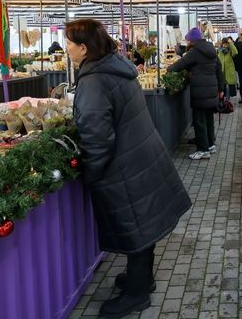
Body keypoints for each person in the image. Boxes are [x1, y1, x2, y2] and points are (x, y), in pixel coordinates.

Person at [66, 19, 191, 318]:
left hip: (123, 165)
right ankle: (141, 279)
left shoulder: (95, 80)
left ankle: (136, 294)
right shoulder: (115, 66)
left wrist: (92, 175)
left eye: (69, 43)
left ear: (83, 48)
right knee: (143, 224)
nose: (66, 48)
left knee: (135, 226)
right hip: (140, 157)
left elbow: (96, 137)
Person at [168, 27, 225, 160]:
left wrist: (168, 69)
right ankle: (210, 145)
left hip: (200, 91)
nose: (187, 43)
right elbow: (219, 70)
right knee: (209, 119)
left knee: (199, 121)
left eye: (188, 40)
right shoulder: (211, 50)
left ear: (192, 41)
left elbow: (180, 64)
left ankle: (203, 150)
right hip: (211, 90)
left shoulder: (195, 51)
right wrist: (221, 88)